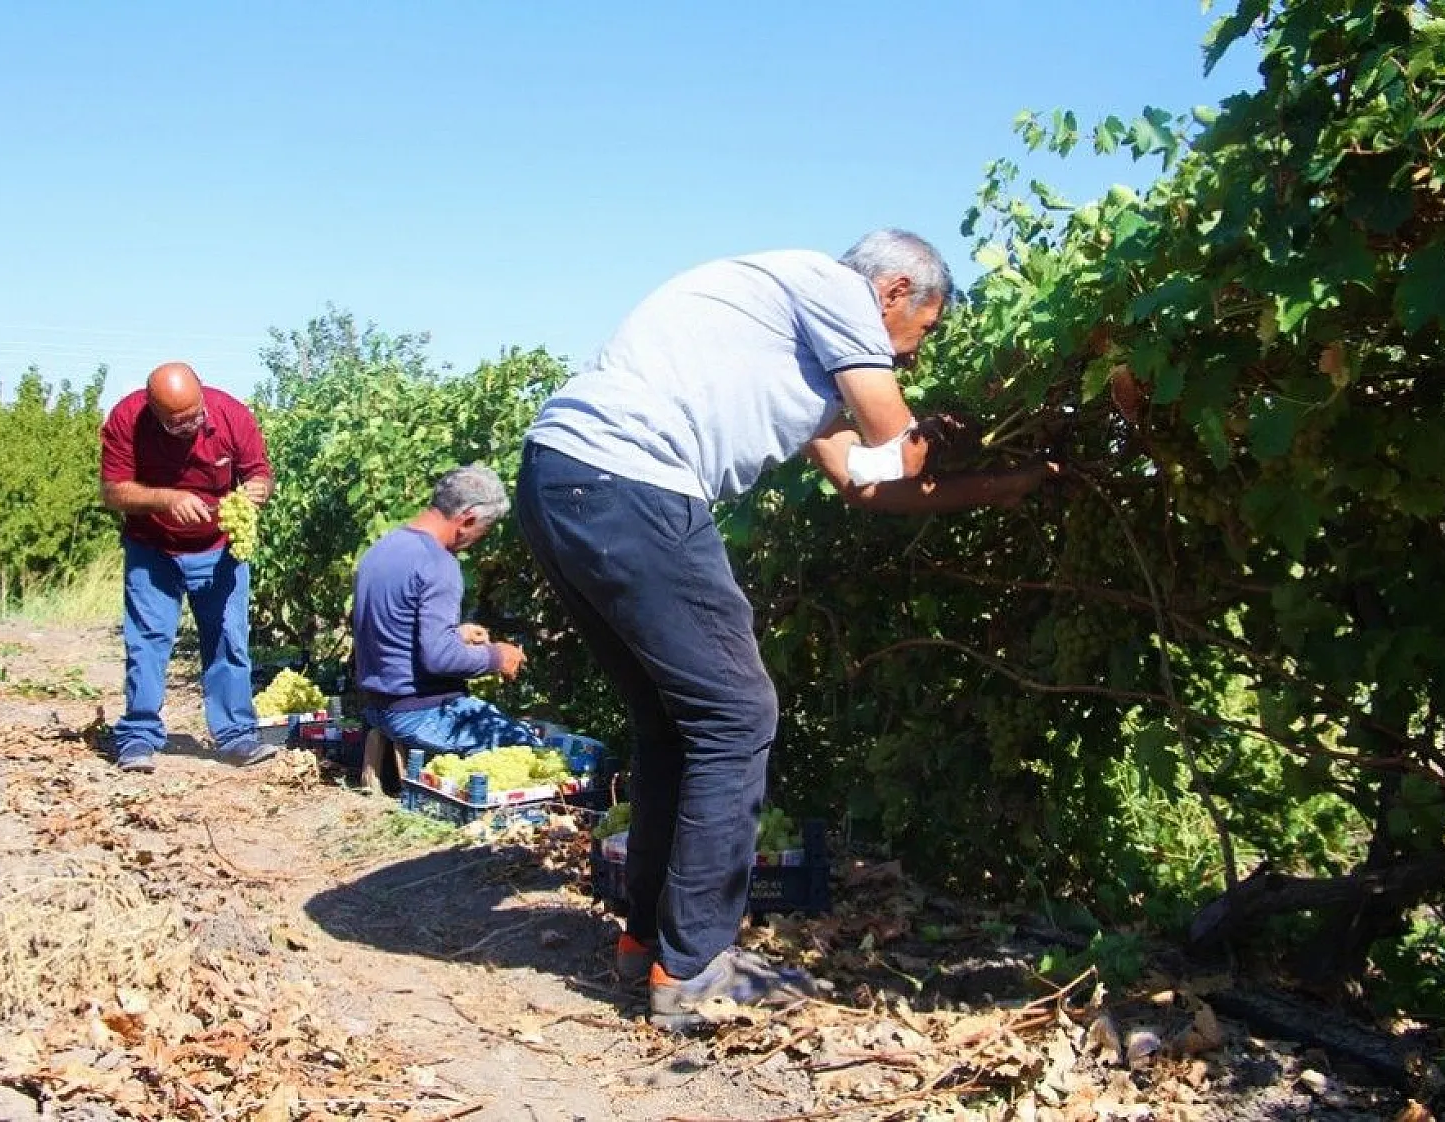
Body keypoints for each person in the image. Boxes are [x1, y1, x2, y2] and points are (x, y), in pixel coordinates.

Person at [514, 229, 1059, 1029]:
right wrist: (931, 433)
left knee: (677, 723)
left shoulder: (783, 338)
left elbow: (864, 484)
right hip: (630, 480)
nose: (911, 356)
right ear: (896, 293)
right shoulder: (836, 291)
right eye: (923, 332)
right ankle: (694, 971)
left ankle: (649, 948)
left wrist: (999, 488)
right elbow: (894, 448)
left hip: (563, 478)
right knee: (738, 715)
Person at [99, 361, 275, 773]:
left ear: (202, 394)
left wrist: (257, 489)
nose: (188, 427)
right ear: (153, 410)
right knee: (146, 643)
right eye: (175, 423)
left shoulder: (232, 414)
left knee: (228, 642)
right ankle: (138, 737)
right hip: (152, 549)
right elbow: (112, 491)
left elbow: (260, 473)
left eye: (194, 416)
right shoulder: (127, 419)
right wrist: (167, 500)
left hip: (218, 549)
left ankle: (236, 736)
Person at [353, 464, 539, 757]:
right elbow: (440, 659)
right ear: (468, 519)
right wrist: (498, 656)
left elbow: (393, 626)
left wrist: (456, 634)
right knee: (529, 749)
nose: (480, 540)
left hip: (377, 707)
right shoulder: (438, 563)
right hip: (420, 712)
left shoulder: (382, 549)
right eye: (484, 530)